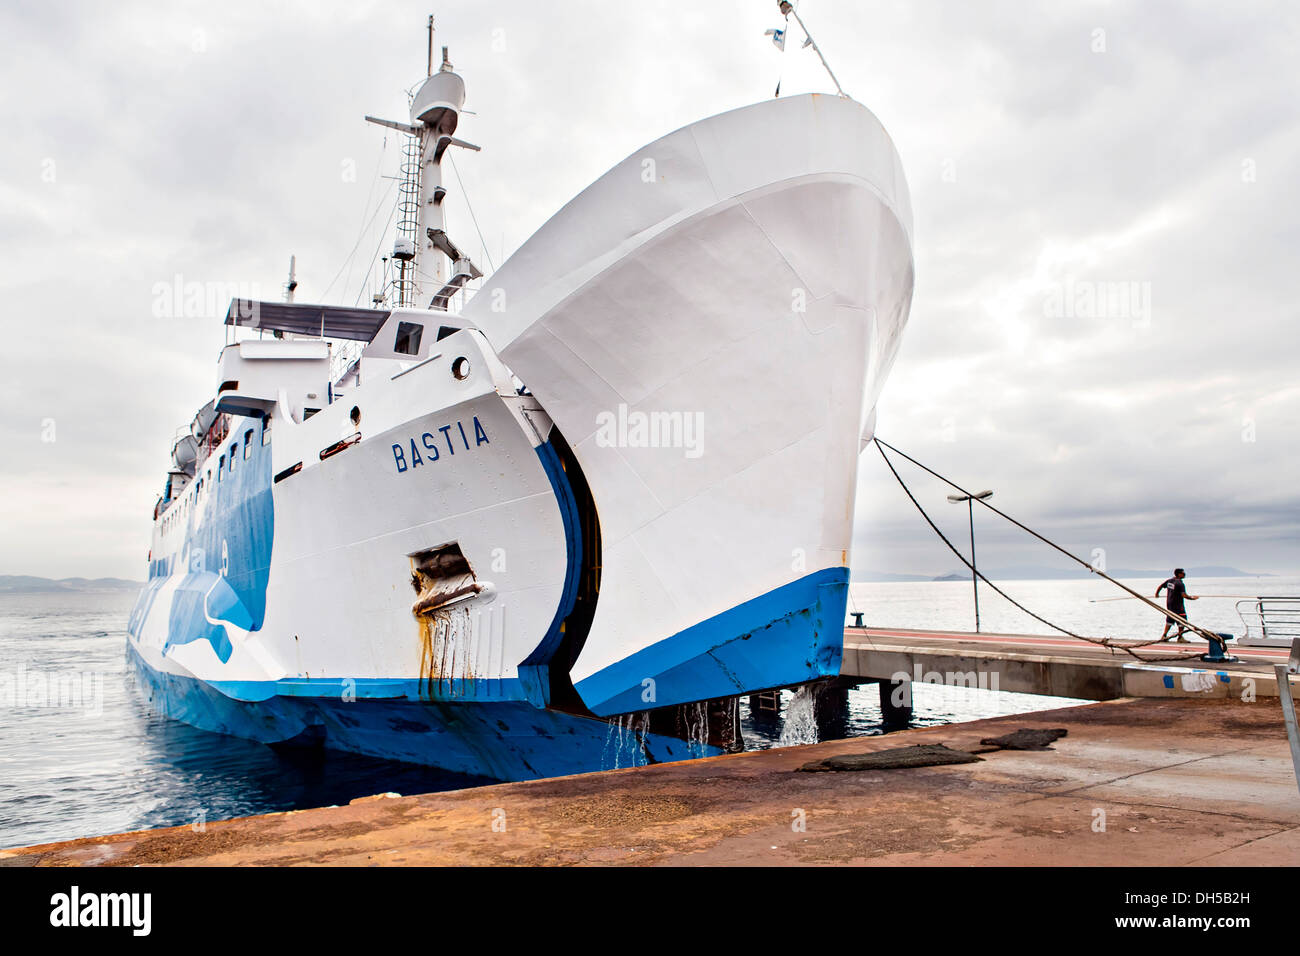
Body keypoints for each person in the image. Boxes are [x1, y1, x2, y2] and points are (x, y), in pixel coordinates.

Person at [1156, 568, 1198, 642]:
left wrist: (1157, 594)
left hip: (1169, 605)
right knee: (1182, 620)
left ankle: (1164, 636)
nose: (1184, 574)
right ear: (1179, 574)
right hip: (1178, 606)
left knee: (1170, 619)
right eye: (1183, 573)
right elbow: (1184, 595)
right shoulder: (1180, 583)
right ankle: (1180, 637)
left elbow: (1160, 586)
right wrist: (1192, 598)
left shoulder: (1170, 581)